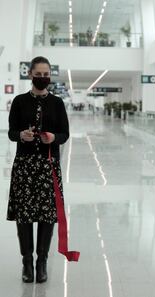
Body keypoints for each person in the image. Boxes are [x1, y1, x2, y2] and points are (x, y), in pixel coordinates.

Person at [7, 56, 69, 283]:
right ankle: (27, 262)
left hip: (48, 167)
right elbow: (11, 132)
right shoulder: (20, 101)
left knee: (47, 215)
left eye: (46, 74)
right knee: (24, 216)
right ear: (30, 74)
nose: (42, 78)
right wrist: (21, 135)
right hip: (24, 166)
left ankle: (41, 261)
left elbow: (64, 134)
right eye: (38, 74)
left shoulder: (57, 103)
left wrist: (53, 138)